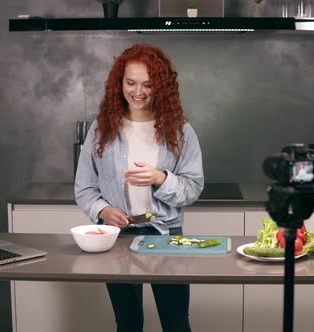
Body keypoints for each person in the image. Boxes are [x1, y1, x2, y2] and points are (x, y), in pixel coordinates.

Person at [74, 43, 204, 332]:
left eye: (148, 84)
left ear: (161, 86)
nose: (138, 92)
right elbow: (84, 188)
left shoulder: (180, 131)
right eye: (130, 83)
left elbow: (193, 188)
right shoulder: (101, 130)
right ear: (118, 83)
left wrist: (161, 178)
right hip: (118, 238)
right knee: (128, 324)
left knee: (176, 323)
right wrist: (104, 210)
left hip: (167, 237)